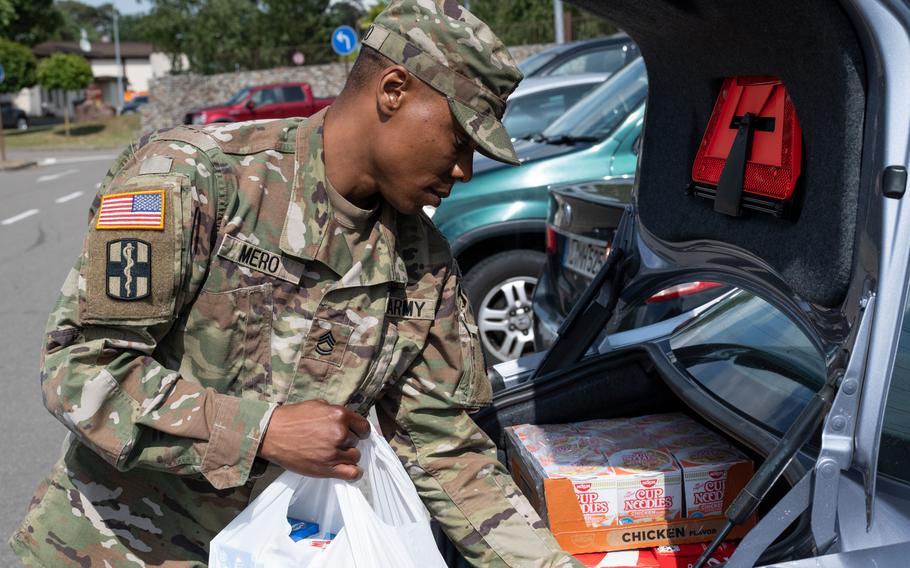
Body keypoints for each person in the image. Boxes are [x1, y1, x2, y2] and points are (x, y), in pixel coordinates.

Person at [9, 1, 580, 567]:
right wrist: (262, 432)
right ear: (394, 90)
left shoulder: (423, 264)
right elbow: (80, 368)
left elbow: (447, 451)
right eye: (459, 140)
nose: (464, 171)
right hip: (110, 550)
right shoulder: (193, 179)